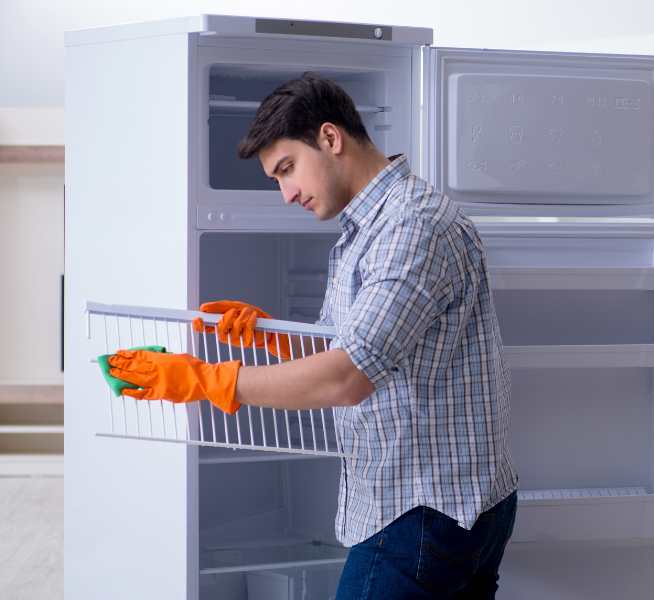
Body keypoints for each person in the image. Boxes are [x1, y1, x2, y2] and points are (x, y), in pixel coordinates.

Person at [108, 72, 518, 599]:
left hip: (421, 511)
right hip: (449, 504)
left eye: (287, 170)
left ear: (330, 138)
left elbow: (348, 378)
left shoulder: (413, 227)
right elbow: (357, 349)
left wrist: (203, 380)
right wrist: (272, 338)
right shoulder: (367, 229)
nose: (286, 194)